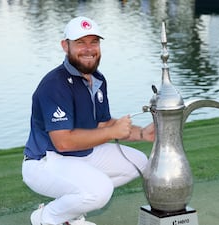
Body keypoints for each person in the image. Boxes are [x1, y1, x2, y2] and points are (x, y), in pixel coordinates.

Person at [22, 16, 155, 225]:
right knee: (100, 190)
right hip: (45, 161)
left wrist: (142, 133)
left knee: (139, 163)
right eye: (80, 42)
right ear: (65, 46)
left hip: (82, 155)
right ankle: (45, 219)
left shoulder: (98, 79)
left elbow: (102, 124)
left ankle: (70, 212)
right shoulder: (54, 84)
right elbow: (63, 142)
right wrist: (112, 132)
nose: (88, 49)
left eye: (94, 42)